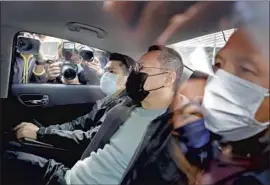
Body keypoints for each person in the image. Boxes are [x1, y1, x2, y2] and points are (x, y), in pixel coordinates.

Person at [3, 45, 186, 185]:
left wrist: (41, 133)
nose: (135, 75)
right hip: (71, 173)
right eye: (135, 69)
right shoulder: (127, 106)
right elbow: (90, 136)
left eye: (142, 69)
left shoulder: (174, 130)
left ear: (168, 78)